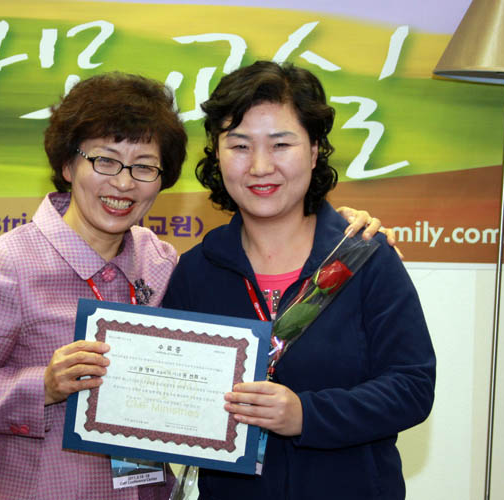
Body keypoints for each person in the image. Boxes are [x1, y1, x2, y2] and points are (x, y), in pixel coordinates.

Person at [0, 71, 390, 500]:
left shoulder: (161, 261)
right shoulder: (10, 265)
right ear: (67, 165)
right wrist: (42, 385)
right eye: (105, 161)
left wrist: (342, 233)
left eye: (144, 167)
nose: (123, 184)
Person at [161, 61, 436, 500]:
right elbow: (171, 393)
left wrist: (306, 415)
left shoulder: (362, 257)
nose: (260, 166)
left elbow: (412, 387)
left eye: (281, 144)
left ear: (313, 151)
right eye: (240, 145)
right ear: (217, 154)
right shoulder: (197, 271)